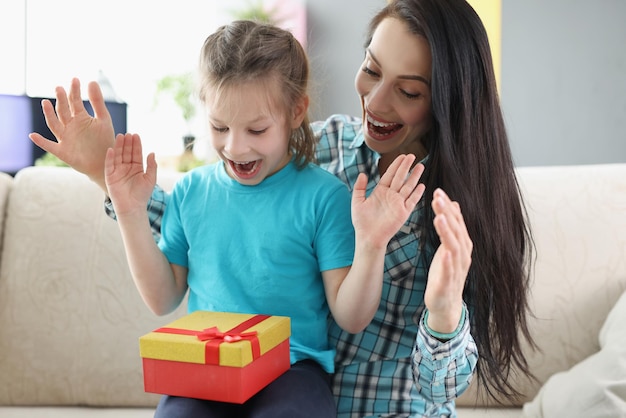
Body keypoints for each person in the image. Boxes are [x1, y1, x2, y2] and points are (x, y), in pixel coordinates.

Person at [30, 0, 535, 416]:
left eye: (406, 91)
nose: (376, 102)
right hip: (231, 377)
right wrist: (106, 176)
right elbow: (217, 222)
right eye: (371, 70)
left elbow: (441, 385)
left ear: (447, 101)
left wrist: (444, 310)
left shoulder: (457, 210)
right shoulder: (317, 145)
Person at [106, 20, 424, 418]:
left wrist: (372, 244)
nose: (235, 147)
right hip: (205, 370)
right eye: (219, 127)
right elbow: (163, 298)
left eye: (257, 129)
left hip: (292, 369)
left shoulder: (324, 196)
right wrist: (130, 214)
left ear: (296, 112)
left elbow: (350, 316)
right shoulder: (191, 192)